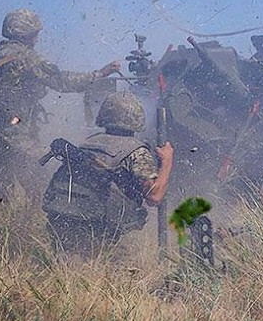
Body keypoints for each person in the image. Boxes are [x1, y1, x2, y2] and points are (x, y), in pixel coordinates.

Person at [0, 9, 120, 206]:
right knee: (44, 188)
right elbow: (61, 81)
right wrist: (99, 74)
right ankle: (39, 232)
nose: (37, 39)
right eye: (35, 33)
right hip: (18, 135)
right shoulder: (26, 57)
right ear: (25, 34)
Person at [42, 92, 174, 256]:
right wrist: (167, 161)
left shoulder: (89, 142)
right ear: (137, 118)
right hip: (103, 232)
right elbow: (154, 196)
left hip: (63, 221)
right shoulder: (136, 151)